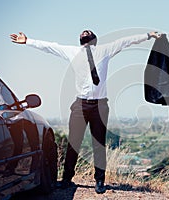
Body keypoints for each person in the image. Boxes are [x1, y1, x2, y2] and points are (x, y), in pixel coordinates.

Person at [10, 29, 160, 194]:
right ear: (81, 40)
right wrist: (28, 41)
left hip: (100, 105)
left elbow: (127, 41)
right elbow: (49, 47)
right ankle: (67, 179)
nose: (85, 32)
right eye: (83, 33)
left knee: (99, 143)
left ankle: (100, 181)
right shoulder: (73, 52)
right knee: (74, 143)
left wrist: (148, 36)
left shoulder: (106, 49)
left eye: (88, 32)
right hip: (80, 104)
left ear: (94, 40)